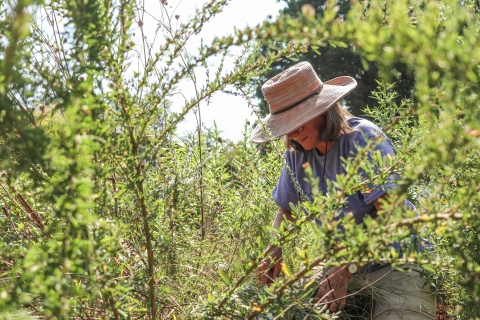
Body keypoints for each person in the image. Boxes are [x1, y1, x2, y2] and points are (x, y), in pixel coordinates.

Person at [251, 62, 436, 319]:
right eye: (286, 127)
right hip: (342, 265)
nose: (292, 135)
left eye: (298, 124)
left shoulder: (363, 139)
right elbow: (286, 209)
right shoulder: (296, 153)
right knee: (286, 312)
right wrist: (274, 250)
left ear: (324, 110)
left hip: (399, 263)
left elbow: (392, 216)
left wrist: (345, 270)